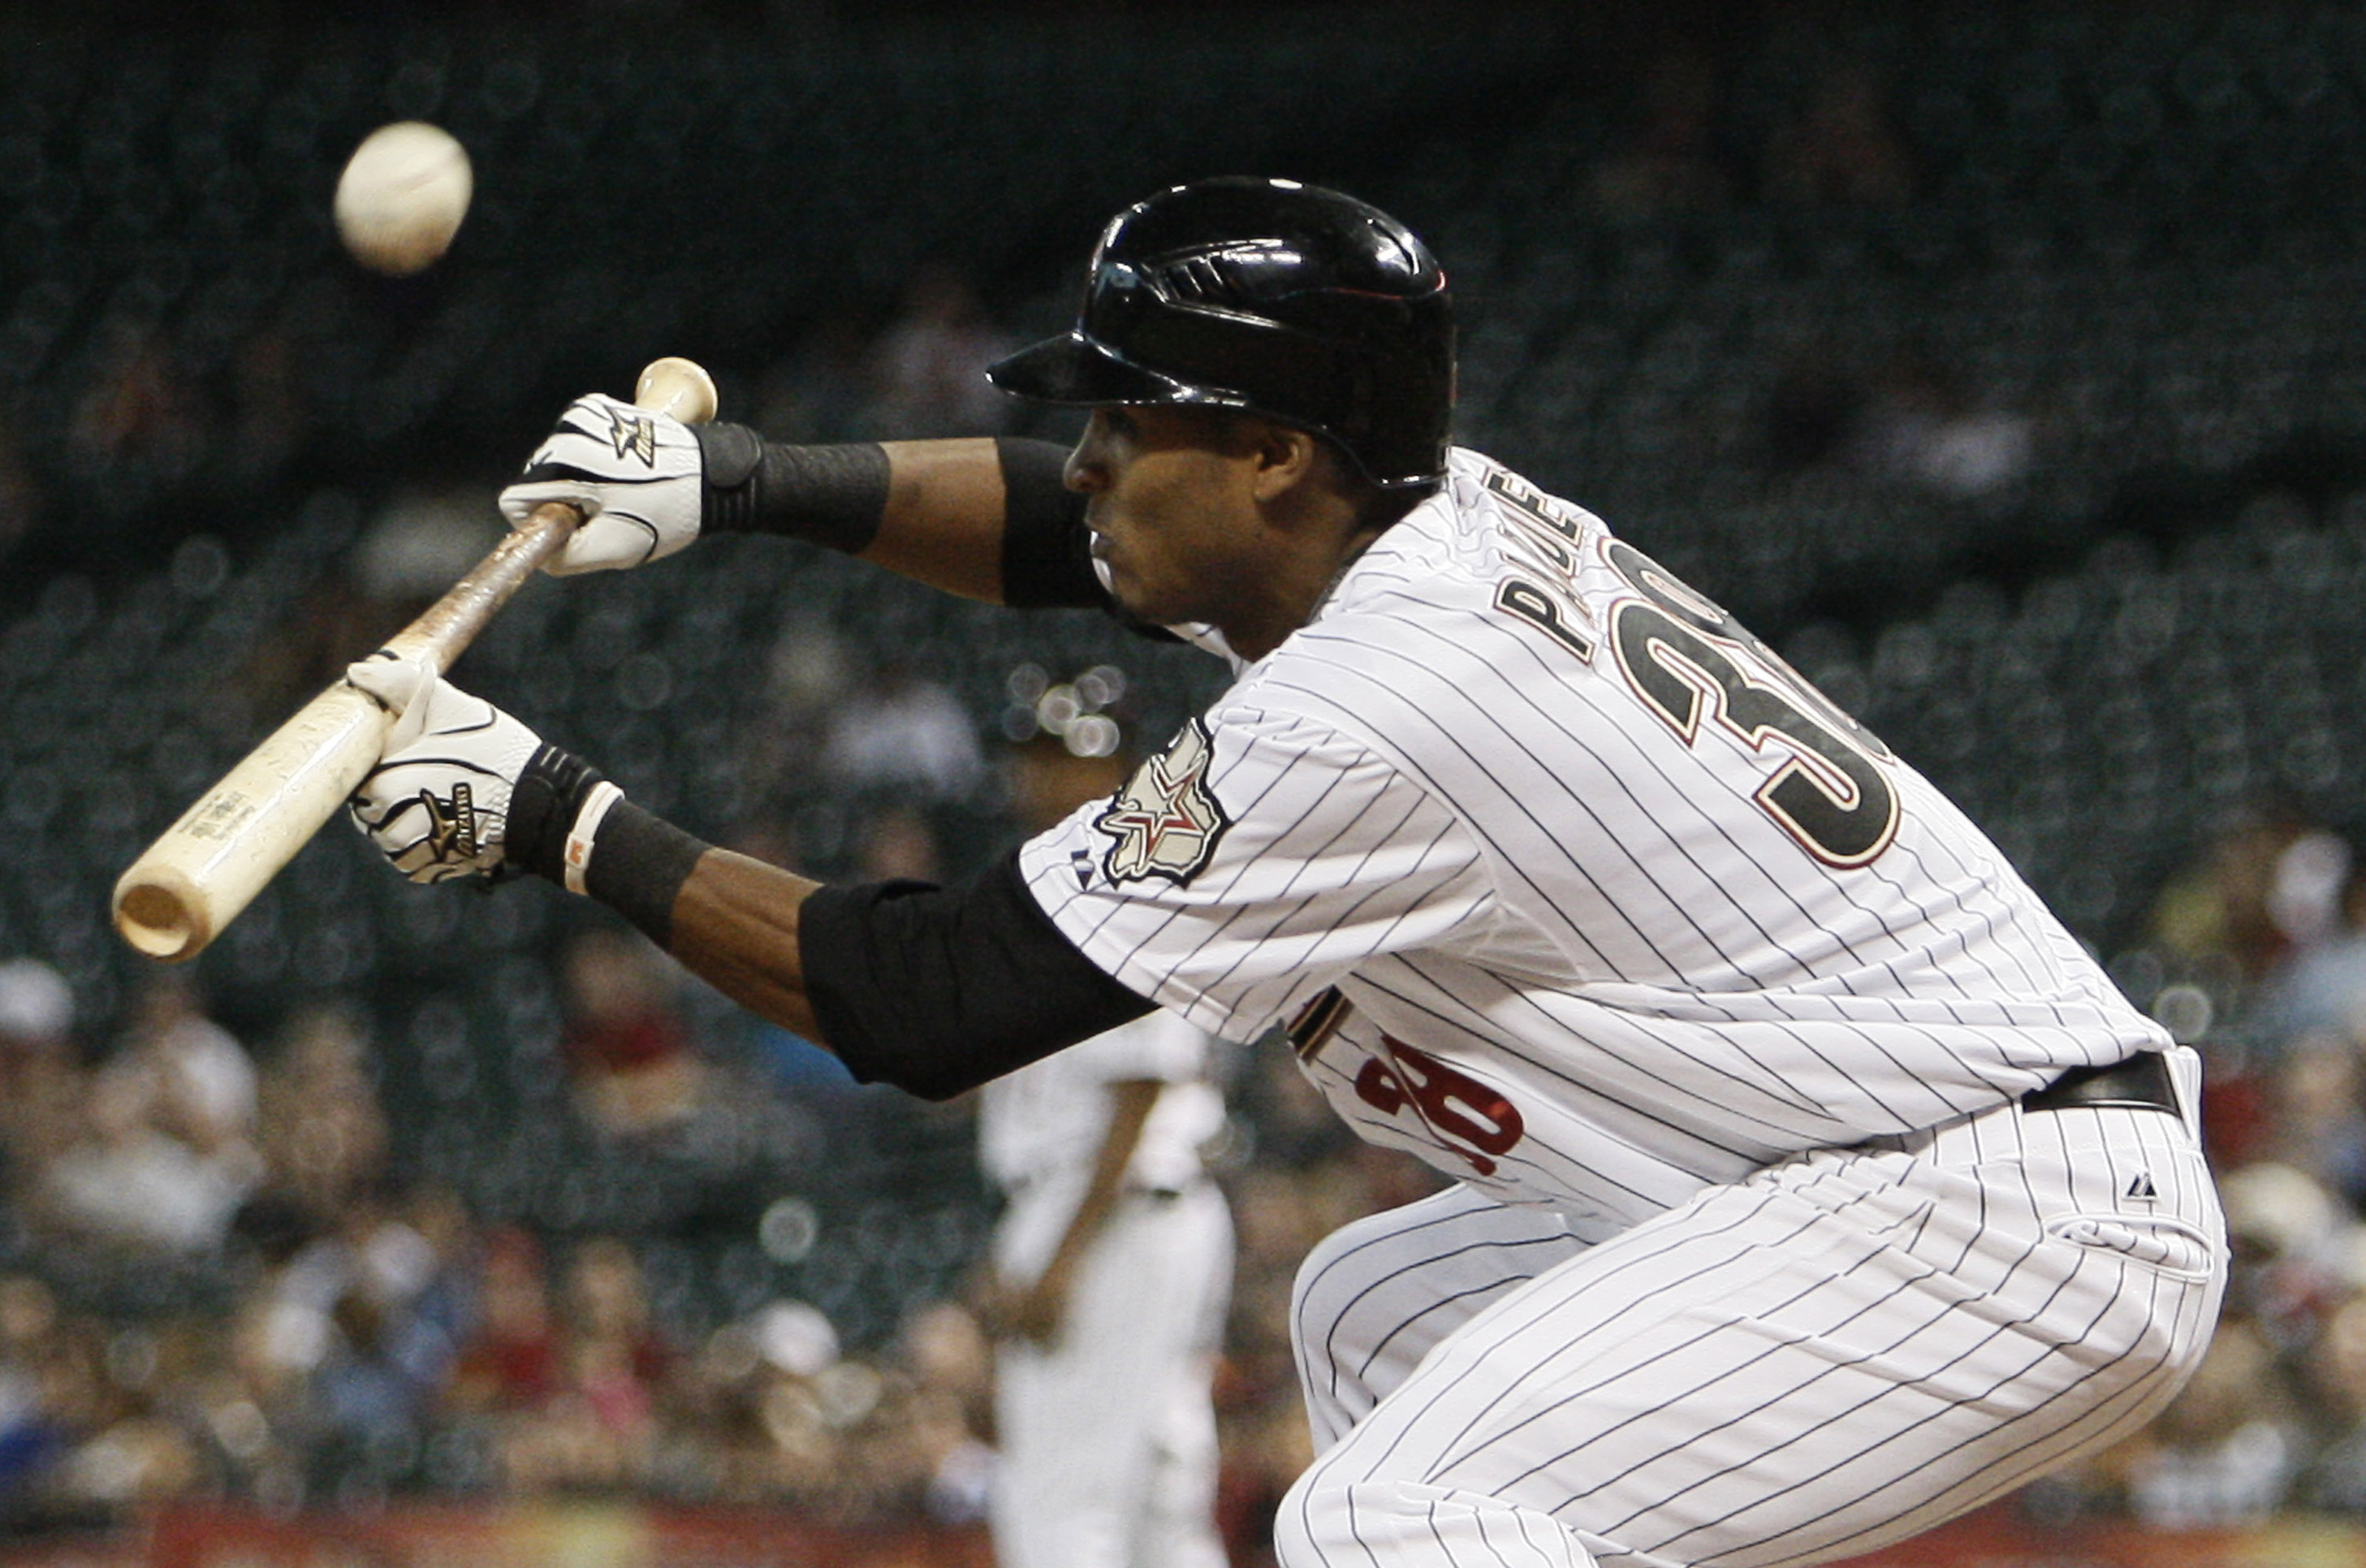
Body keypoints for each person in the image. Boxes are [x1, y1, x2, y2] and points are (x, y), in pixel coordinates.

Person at [346, 177, 2226, 1568]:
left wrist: (553, 813)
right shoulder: (1407, 513)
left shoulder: (1379, 702)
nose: (1081, 457)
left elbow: (926, 1001)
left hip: (1986, 1219)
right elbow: (1060, 535)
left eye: (1124, 421)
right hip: (1859, 1179)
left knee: (1395, 1512)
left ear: (1266, 452)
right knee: (1377, 1314)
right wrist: (743, 480)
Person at [977, 1006, 1232, 1568]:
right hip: (1115, 1204)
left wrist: (1062, 1258)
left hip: (1106, 1207)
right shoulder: (1045, 932)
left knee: (1061, 1489)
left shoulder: (1104, 927)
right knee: (1161, 1482)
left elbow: (1141, 1085)